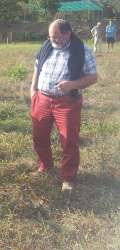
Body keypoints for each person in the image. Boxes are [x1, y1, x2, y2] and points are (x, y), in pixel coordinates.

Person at [30, 20, 97, 192]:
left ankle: (68, 178)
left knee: (69, 141)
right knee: (39, 137)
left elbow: (92, 77)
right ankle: (45, 167)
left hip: (67, 102)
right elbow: (37, 67)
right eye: (50, 37)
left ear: (67, 34)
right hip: (42, 99)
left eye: (56, 37)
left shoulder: (82, 50)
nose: (53, 41)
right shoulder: (47, 46)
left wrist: (72, 85)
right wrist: (33, 90)